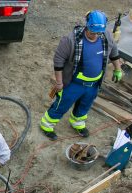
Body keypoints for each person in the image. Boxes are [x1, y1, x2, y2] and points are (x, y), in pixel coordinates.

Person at [40, 10, 124, 141]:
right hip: (74, 83)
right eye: (92, 32)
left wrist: (118, 69)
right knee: (62, 104)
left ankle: (77, 122)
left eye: (98, 33)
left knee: (85, 104)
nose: (95, 35)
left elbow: (114, 52)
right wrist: (59, 82)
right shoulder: (70, 40)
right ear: (87, 26)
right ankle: (47, 125)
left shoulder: (106, 35)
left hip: (94, 84)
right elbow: (58, 61)